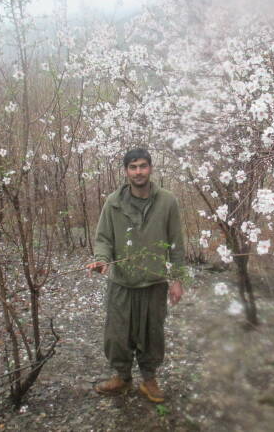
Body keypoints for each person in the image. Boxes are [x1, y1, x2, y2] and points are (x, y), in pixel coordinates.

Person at [86, 148, 186, 403]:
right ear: (126, 171)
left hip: (154, 282)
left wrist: (176, 279)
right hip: (122, 282)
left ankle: (149, 380)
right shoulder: (114, 202)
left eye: (143, 166)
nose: (138, 172)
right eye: (133, 167)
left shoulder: (167, 201)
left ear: (150, 168)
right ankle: (122, 378)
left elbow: (176, 244)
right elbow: (104, 239)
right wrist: (102, 260)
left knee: (153, 334)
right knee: (117, 335)